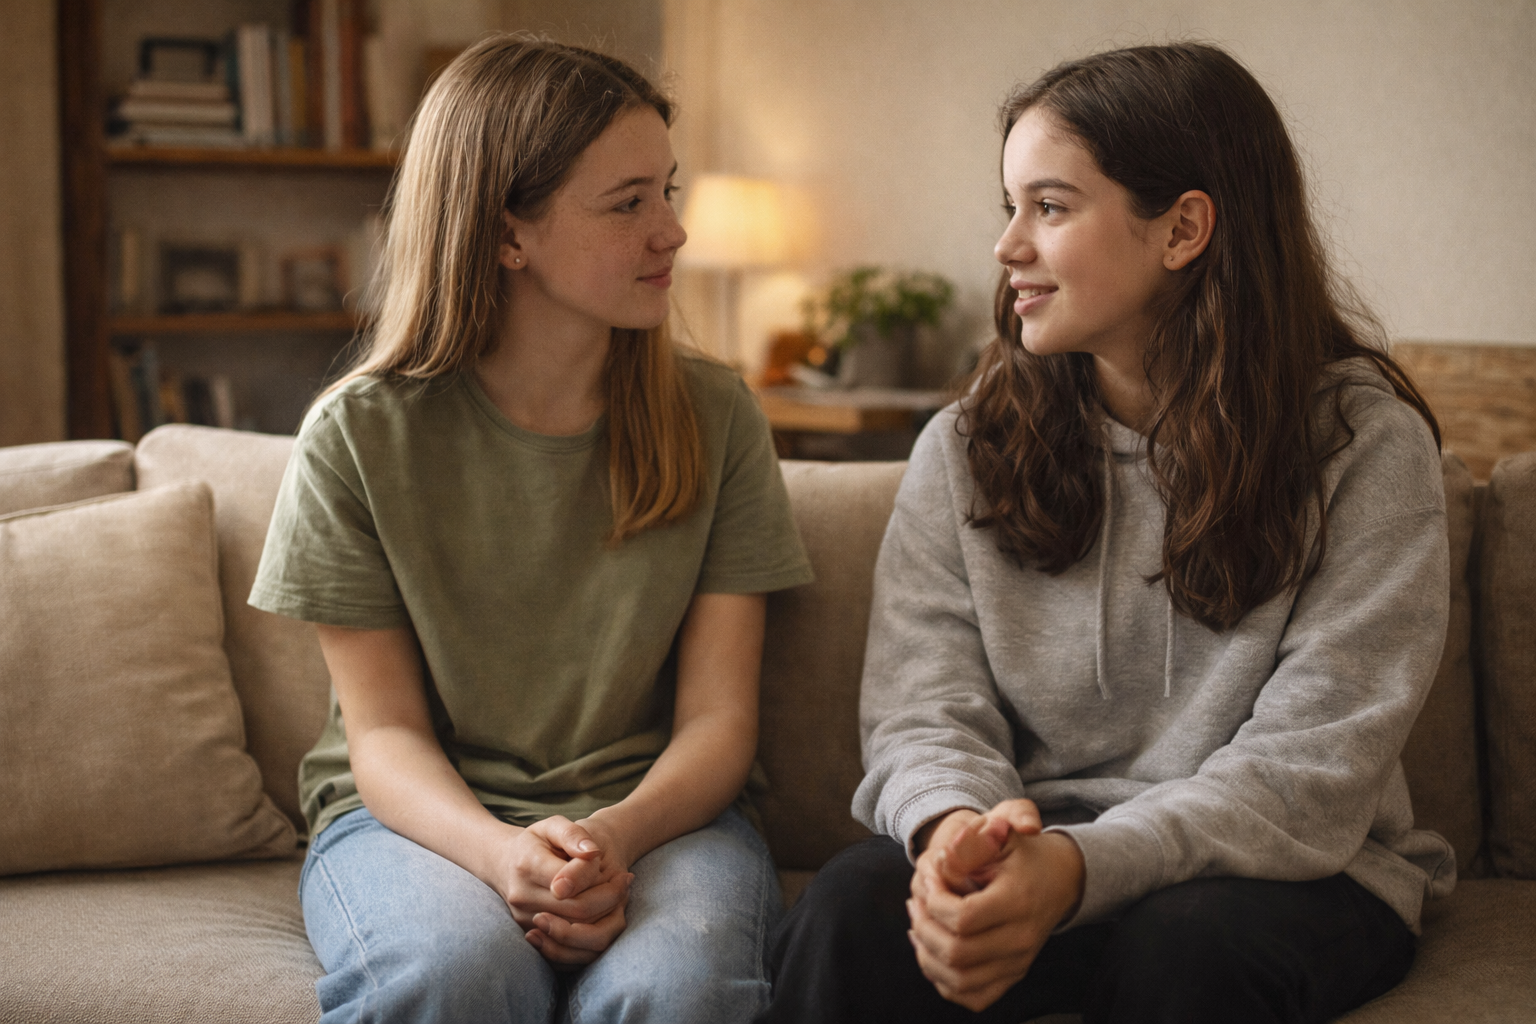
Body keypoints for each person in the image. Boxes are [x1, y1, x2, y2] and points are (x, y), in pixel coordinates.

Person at [760, 42, 1455, 1024]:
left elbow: (1311, 770)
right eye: (1009, 207)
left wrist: (1079, 868)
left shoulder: (1362, 445)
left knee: (1185, 951)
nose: (1006, 248)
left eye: (1049, 207)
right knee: (846, 909)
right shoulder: (964, 446)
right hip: (1037, 844)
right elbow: (925, 711)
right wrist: (958, 835)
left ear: (1183, 229)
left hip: (1288, 870)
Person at [248, 35, 812, 1024]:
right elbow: (383, 734)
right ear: (508, 233)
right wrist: (502, 853)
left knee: (677, 991)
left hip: (661, 819)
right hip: (419, 822)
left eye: (667, 191)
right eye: (628, 203)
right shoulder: (357, 437)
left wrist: (612, 840)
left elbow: (719, 723)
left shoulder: (718, 417)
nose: (673, 231)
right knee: (457, 974)